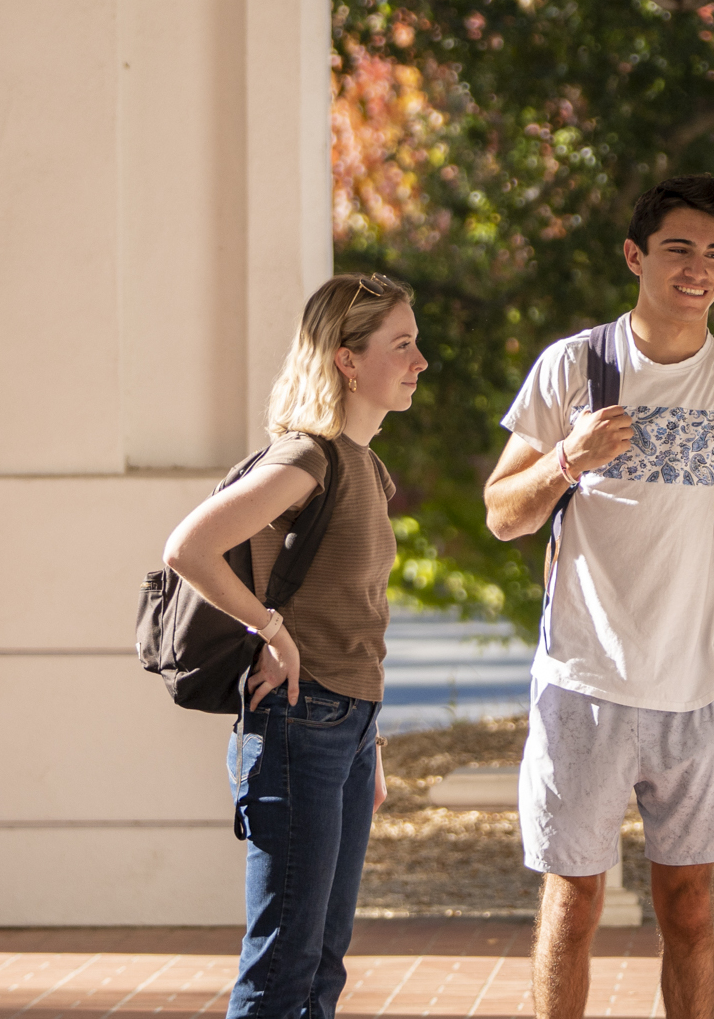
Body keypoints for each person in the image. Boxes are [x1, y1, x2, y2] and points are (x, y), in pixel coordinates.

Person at [485, 174, 714, 1019]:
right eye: (677, 249)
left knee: (691, 907)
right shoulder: (573, 368)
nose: (697, 268)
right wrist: (566, 460)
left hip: (694, 698)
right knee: (573, 904)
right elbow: (500, 516)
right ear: (635, 256)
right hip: (580, 687)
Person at [162, 274, 426, 1019]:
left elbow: (351, 615)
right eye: (400, 345)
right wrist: (270, 631)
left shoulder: (367, 468)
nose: (420, 361)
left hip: (343, 728)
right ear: (347, 360)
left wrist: (366, 744)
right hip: (296, 730)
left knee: (319, 966)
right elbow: (190, 546)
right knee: (283, 966)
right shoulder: (308, 460)